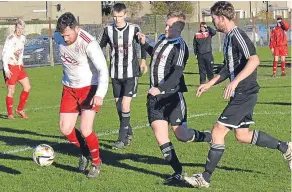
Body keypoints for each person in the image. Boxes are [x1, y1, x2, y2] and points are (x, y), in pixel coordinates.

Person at [184, 1, 292, 188]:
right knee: (242, 135)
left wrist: (234, 82)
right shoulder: (227, 38)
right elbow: (228, 68)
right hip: (243, 93)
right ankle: (286, 147)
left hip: (245, 92)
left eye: (214, 18)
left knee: (218, 131)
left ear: (222, 18)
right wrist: (210, 83)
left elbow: (255, 60)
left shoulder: (238, 36)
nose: (214, 22)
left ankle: (205, 178)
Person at [137, 11, 211, 184]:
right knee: (160, 135)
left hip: (172, 97)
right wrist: (145, 44)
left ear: (178, 28)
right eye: (166, 24)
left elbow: (177, 73)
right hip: (155, 99)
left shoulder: (180, 46)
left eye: (170, 25)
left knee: (182, 135)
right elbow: (155, 55)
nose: (166, 27)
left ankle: (209, 137)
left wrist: (160, 88)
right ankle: (178, 172)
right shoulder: (163, 38)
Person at [54, 12, 109, 178]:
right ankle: (85, 151)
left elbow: (103, 70)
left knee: (86, 129)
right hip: (69, 88)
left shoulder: (89, 43)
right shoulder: (58, 37)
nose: (65, 39)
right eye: (62, 35)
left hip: (89, 87)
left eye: (68, 35)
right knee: (65, 128)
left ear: (76, 28)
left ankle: (96, 162)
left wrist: (100, 94)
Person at [98, 3, 148, 149]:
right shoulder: (107, 30)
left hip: (131, 73)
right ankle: (129, 131)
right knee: (119, 106)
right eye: (114, 16)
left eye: (120, 16)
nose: (117, 19)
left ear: (125, 15)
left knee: (125, 104)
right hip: (115, 74)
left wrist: (143, 60)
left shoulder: (134, 29)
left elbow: (142, 44)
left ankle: (121, 139)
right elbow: (97, 46)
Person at [2, 19, 31, 119]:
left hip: (19, 67)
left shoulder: (23, 38)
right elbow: (4, 54)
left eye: (22, 28)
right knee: (11, 90)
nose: (20, 30)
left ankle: (20, 109)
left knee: (27, 87)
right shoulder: (10, 39)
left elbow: (21, 52)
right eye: (18, 28)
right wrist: (6, 69)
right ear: (15, 28)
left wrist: (21, 61)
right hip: (11, 66)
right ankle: (10, 114)